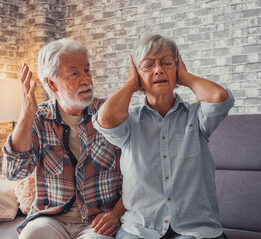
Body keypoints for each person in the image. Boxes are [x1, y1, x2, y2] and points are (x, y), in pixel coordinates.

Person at [93, 34, 235, 239]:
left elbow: (219, 98)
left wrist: (184, 76)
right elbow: (105, 118)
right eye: (148, 65)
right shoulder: (130, 123)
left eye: (166, 63)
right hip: (140, 228)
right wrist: (132, 84)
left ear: (176, 68)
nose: (158, 69)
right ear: (137, 74)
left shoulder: (197, 116)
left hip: (194, 230)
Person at [2, 38, 125, 239]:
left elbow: (137, 175)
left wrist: (116, 214)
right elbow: (14, 172)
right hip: (52, 218)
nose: (86, 79)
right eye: (75, 73)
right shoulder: (39, 118)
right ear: (51, 83)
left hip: (97, 222)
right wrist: (27, 113)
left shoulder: (108, 114)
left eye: (87, 70)